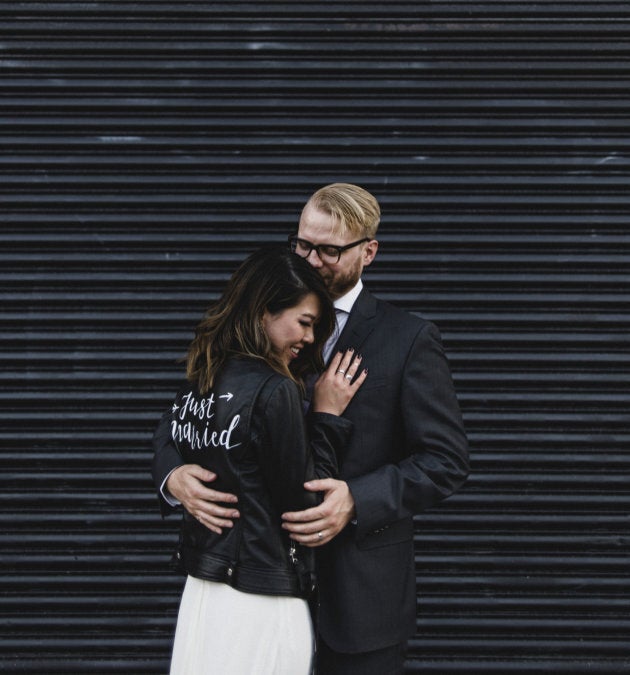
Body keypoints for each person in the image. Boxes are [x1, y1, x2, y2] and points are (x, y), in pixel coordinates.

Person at [157, 183, 470, 675]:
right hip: (255, 588)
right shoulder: (261, 318)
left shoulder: (408, 339)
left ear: (369, 252)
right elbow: (189, 408)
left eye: (329, 249)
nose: (312, 260)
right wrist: (172, 474)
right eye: (302, 245)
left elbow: (445, 460)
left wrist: (357, 500)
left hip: (360, 601)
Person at [151, 247, 367, 674]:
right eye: (304, 323)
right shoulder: (275, 390)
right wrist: (326, 418)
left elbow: (170, 432)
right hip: (261, 594)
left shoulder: (207, 372)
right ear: (263, 311)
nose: (309, 339)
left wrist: (171, 471)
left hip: (205, 589)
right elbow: (307, 503)